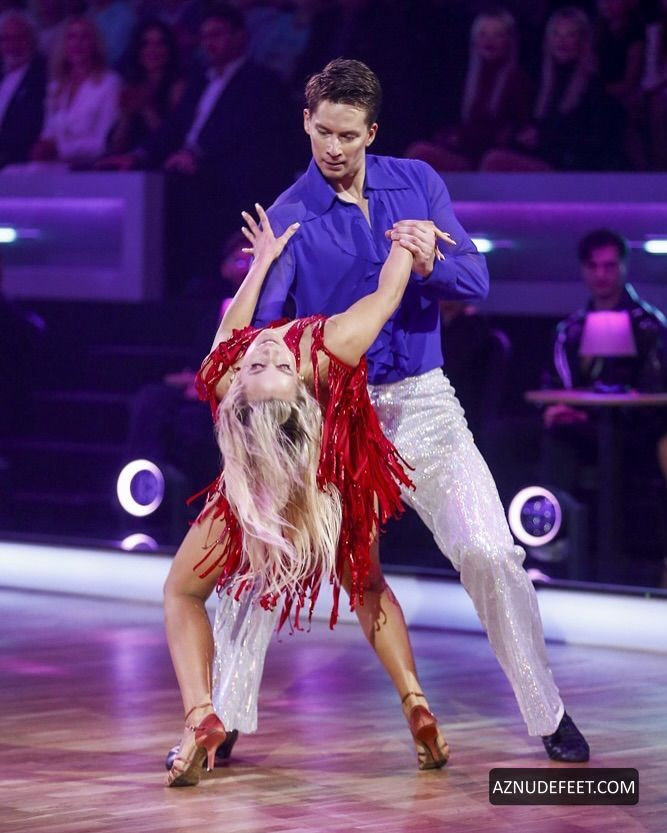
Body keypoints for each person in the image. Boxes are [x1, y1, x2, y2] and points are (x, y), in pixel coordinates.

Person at [202, 58, 589, 766]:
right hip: (325, 411)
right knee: (264, 554)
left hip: (421, 401)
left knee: (490, 551)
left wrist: (428, 257)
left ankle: (548, 711)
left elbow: (474, 278)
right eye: (323, 131)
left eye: (348, 135)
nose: (333, 148)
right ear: (306, 122)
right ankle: (222, 713)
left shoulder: (418, 183)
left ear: (371, 132)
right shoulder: (288, 216)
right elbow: (260, 332)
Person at [163, 204, 451, 787]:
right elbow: (386, 296)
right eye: (270, 363)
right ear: (299, 385)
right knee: (368, 587)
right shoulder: (328, 346)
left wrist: (260, 266)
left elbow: (230, 334)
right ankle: (415, 702)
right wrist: (407, 238)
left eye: (261, 364)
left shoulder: (224, 375)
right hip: (330, 487)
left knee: (181, 590)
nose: (268, 350)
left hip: (281, 485)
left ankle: (200, 716)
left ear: (237, 390)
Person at [541, 228, 667, 493]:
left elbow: (654, 390)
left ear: (623, 266)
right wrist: (561, 409)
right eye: (593, 266)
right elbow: (555, 384)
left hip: (637, 428)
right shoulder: (569, 330)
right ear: (583, 269)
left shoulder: (650, 325)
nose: (601, 275)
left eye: (609, 266)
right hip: (580, 425)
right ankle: (552, 514)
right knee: (518, 434)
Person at [481, 5, 626, 171]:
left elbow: (591, 142)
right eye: (556, 34)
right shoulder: (542, 81)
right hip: (543, 158)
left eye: (570, 35)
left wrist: (544, 138)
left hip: (570, 169)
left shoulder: (593, 87)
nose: (562, 41)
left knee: (493, 160)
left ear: (582, 41)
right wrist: (519, 136)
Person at [406, 8, 534, 171]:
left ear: (509, 41)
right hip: (464, 157)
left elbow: (510, 136)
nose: (489, 41)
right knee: (419, 152)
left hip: (493, 158)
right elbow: (446, 126)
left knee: (493, 160)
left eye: (498, 35)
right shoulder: (462, 78)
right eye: (483, 35)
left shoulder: (518, 80)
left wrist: (464, 138)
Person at [30, 15, 120, 167]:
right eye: (72, 36)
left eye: (84, 37)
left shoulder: (109, 83)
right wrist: (42, 146)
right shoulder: (56, 87)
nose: (78, 43)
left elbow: (104, 141)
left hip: (91, 169)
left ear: (95, 44)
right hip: (54, 167)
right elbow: (49, 132)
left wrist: (60, 149)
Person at [107, 17, 184, 154]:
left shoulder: (177, 86)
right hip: (128, 159)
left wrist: (145, 107)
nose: (152, 50)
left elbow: (172, 141)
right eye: (146, 44)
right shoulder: (131, 83)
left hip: (159, 161)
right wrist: (126, 115)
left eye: (159, 44)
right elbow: (116, 147)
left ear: (169, 49)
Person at [0, 10, 47, 168]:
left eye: (19, 38)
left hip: (18, 162)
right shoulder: (2, 75)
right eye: (6, 39)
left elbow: (29, 128)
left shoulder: (42, 76)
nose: (12, 45)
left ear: (32, 39)